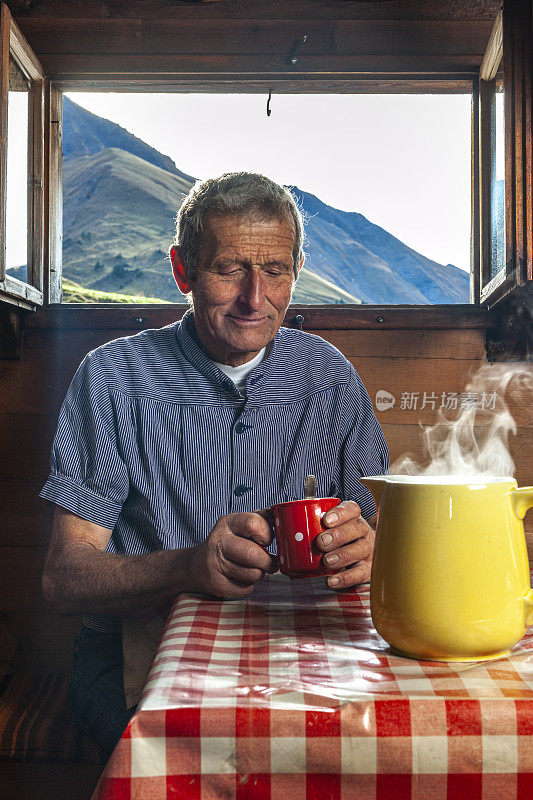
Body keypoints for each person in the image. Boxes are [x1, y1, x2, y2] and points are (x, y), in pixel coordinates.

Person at [40, 172, 389, 756]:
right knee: (200, 756)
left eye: (275, 271)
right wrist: (188, 567)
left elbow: (384, 535)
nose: (256, 298)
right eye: (230, 270)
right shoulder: (113, 378)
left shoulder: (330, 376)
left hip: (304, 652)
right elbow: (63, 578)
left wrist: (374, 550)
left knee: (370, 755)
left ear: (295, 270)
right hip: (137, 654)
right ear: (183, 270)